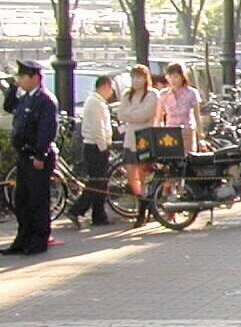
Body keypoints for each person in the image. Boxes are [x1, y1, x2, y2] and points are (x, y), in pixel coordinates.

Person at [3, 59, 58, 255]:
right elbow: (9, 107)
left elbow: (47, 130)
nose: (21, 80)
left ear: (34, 77)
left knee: (38, 199)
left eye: (23, 76)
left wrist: (40, 154)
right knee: (22, 200)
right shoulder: (26, 97)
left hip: (37, 157)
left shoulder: (45, 100)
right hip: (24, 156)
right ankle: (23, 238)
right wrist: (13, 87)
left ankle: (38, 239)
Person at [67, 74, 115, 229]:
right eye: (111, 88)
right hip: (95, 146)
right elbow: (97, 129)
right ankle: (77, 210)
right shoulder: (95, 103)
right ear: (105, 86)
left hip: (94, 146)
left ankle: (99, 215)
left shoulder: (96, 102)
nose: (112, 92)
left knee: (100, 182)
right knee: (96, 182)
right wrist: (104, 147)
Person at [120, 63, 159, 223]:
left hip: (145, 139)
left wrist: (131, 114)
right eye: (133, 77)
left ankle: (143, 209)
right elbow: (121, 113)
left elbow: (146, 115)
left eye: (139, 77)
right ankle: (141, 201)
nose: (136, 81)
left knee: (144, 175)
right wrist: (132, 114)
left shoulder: (152, 95)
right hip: (130, 139)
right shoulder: (126, 95)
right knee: (131, 174)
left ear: (146, 78)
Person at [155, 62, 202, 153]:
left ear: (182, 77)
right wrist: (157, 135)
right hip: (170, 133)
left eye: (176, 76)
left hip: (187, 131)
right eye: (170, 76)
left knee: (187, 159)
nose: (173, 80)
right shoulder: (164, 94)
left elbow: (197, 117)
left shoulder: (192, 93)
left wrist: (200, 136)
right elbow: (159, 117)